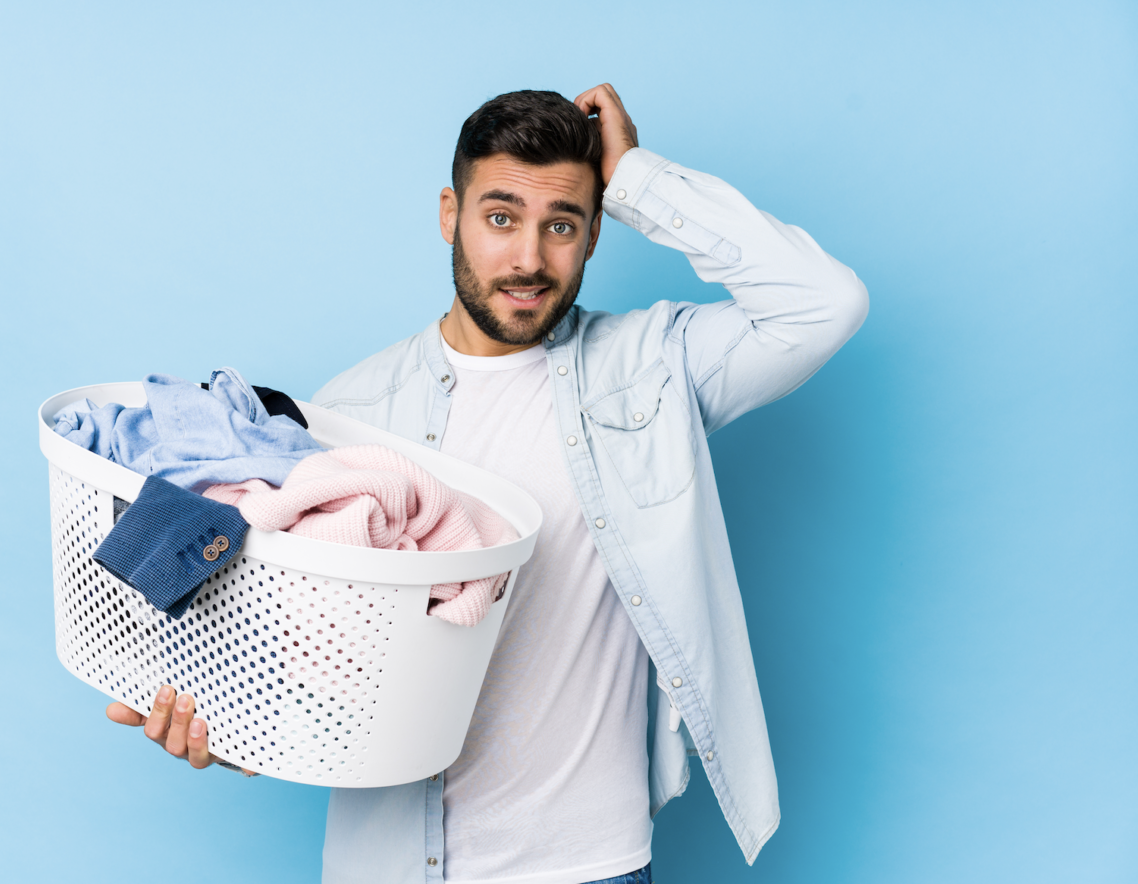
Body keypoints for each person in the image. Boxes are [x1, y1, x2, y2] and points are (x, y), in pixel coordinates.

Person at [106, 85, 868, 884]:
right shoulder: (348, 416)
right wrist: (223, 733)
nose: (530, 259)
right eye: (501, 217)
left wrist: (638, 174)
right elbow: (302, 668)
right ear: (450, 215)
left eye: (562, 225)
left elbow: (824, 304)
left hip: (591, 866)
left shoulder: (652, 369)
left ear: (596, 230)